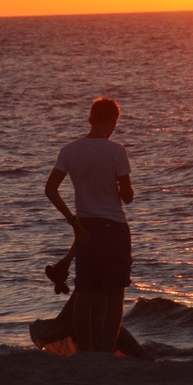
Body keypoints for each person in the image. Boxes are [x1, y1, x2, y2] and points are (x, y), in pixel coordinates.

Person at [44, 97, 134, 352]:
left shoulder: (69, 151)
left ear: (90, 119)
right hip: (114, 229)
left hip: (85, 229)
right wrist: (124, 190)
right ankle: (106, 351)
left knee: (84, 294)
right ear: (113, 121)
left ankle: (84, 352)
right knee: (115, 296)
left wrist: (73, 220)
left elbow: (50, 189)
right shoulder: (117, 151)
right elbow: (127, 197)